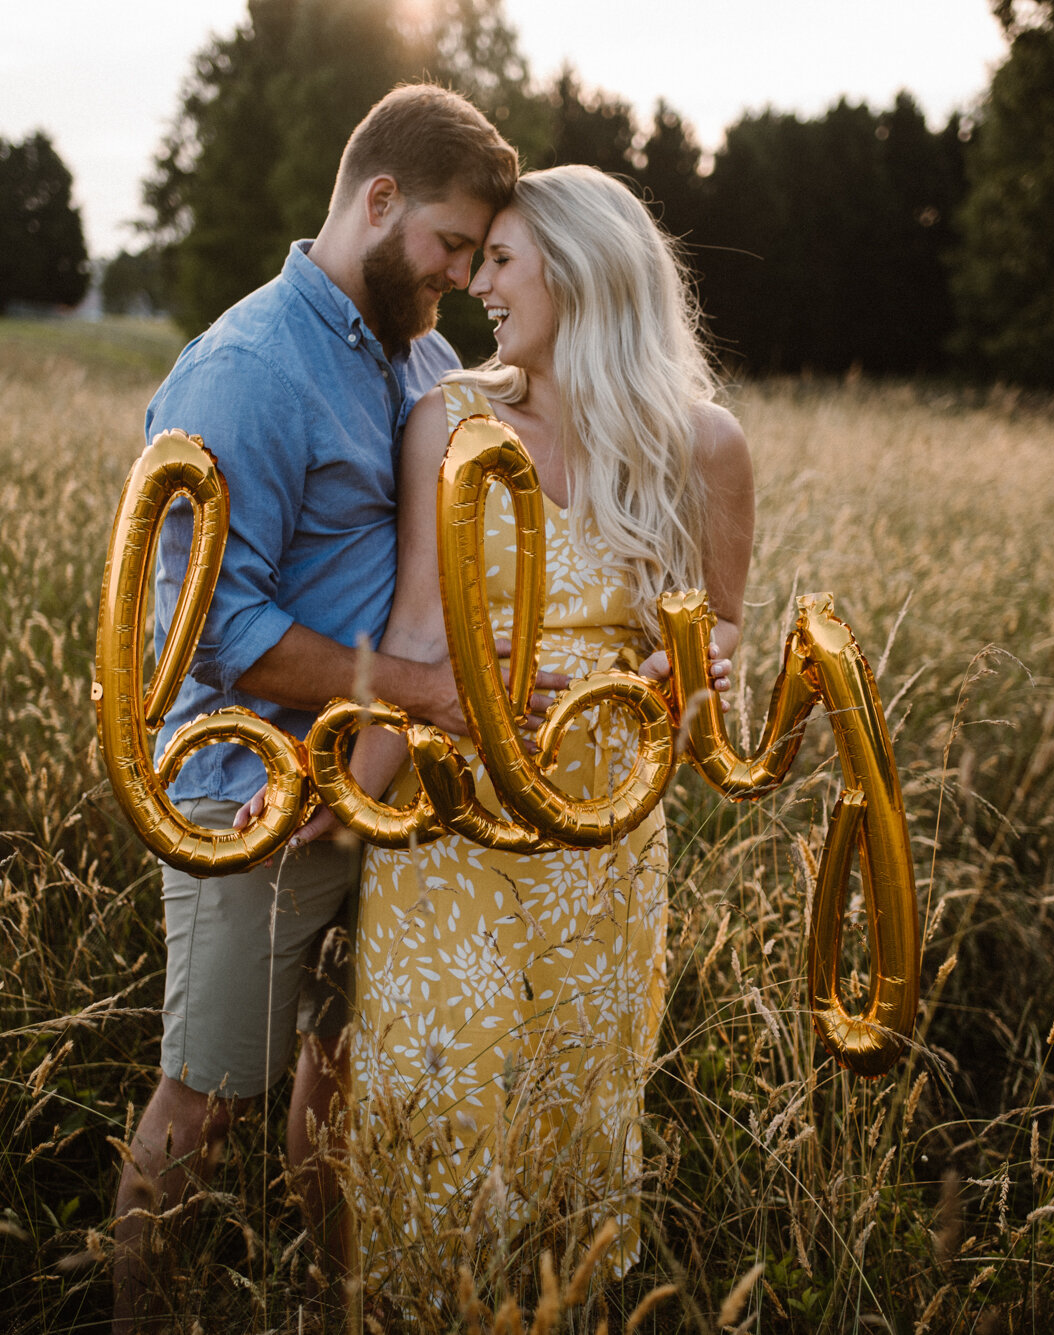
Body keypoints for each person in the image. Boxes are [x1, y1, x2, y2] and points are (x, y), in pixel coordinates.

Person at [110, 85, 549, 1332]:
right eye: (450, 246)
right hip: (246, 795)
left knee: (337, 1073)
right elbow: (203, 629)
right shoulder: (249, 369)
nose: (460, 277)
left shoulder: (414, 355)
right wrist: (422, 691)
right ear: (377, 201)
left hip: (369, 789)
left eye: (476, 256)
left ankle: (332, 1307)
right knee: (206, 1096)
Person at [297, 163, 754, 1292]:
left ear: (580, 266)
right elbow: (414, 622)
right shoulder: (445, 421)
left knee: (575, 1115)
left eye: (499, 260)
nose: (476, 285)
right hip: (451, 826)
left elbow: (723, 649)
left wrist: (691, 678)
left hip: (602, 834)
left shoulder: (701, 447)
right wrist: (343, 798)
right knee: (438, 1095)